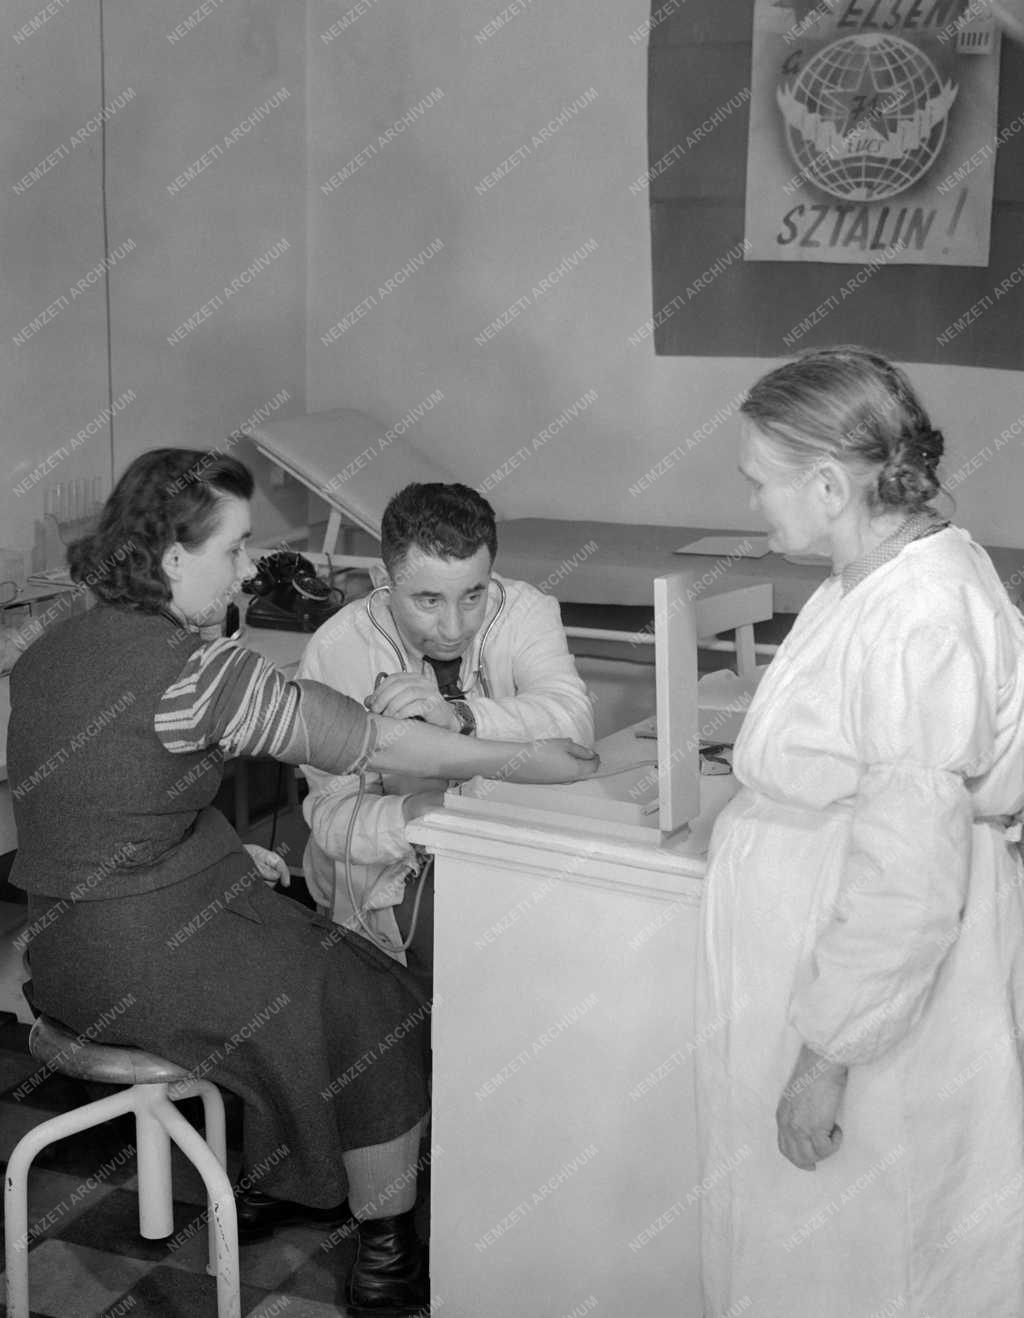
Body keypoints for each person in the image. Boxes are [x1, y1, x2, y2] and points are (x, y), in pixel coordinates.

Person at [6, 448, 596, 1317]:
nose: (251, 569)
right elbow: (378, 742)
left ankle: (288, 1169)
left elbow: (105, 796)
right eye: (235, 549)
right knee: (378, 1002)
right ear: (173, 559)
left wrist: (222, 855)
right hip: (145, 954)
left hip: (62, 952)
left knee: (313, 963)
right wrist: (539, 760)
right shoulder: (200, 672)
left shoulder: (52, 647)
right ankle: (386, 1247)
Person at [697, 347, 1024, 1318]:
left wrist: (825, 1058)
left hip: (871, 1006)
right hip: (830, 966)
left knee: (867, 1250)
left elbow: (907, 876)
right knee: (831, 1247)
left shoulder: (916, 613)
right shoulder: (881, 574)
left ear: (830, 485)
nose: (752, 501)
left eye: (760, 480)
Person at [298, 482, 594, 981]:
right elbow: (332, 818)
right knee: (481, 965)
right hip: (393, 870)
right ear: (383, 581)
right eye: (429, 601)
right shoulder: (337, 649)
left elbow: (574, 726)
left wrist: (462, 718)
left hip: (503, 846)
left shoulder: (525, 611)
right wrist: (419, 812)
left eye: (473, 595)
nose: (454, 628)